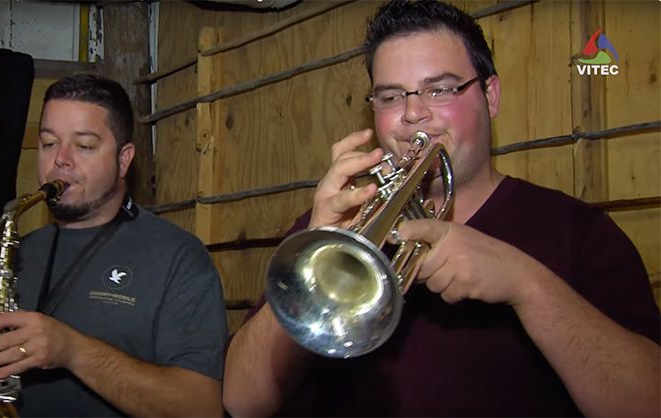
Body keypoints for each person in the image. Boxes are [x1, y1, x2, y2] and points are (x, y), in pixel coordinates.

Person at [223, 1, 661, 416]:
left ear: (490, 96)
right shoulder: (335, 229)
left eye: (440, 89)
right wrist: (310, 257)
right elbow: (242, 402)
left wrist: (527, 286)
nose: (413, 114)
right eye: (391, 97)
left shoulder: (577, 232)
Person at [0, 74, 228, 417]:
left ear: (124, 160)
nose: (61, 160)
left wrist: (72, 351)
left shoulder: (179, 257)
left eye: (84, 145)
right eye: (49, 143)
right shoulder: (11, 255)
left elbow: (202, 408)